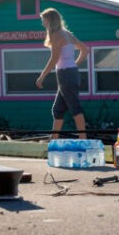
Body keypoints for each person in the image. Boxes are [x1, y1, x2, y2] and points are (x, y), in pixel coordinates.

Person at [36, 8, 89, 139]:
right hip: (71, 74)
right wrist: (74, 64)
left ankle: (83, 140)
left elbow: (54, 59)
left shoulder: (56, 35)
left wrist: (42, 76)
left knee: (75, 107)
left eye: (44, 21)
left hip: (66, 75)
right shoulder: (67, 34)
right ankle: (54, 140)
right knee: (58, 109)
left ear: (50, 21)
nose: (43, 24)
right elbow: (85, 50)